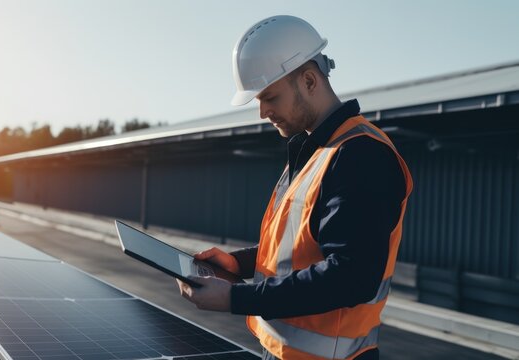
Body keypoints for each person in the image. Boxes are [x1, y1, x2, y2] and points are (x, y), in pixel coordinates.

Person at [176, 15, 413, 360]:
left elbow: (352, 275)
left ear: (309, 80)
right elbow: (295, 248)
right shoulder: (314, 151)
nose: (262, 112)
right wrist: (237, 262)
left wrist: (235, 298)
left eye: (270, 96)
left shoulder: (361, 156)